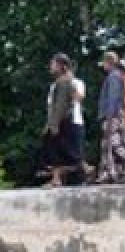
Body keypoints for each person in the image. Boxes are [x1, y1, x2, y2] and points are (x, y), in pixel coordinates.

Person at [41, 53, 80, 188]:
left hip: (61, 122)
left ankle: (84, 169)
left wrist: (53, 125)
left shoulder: (63, 82)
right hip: (60, 121)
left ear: (61, 66)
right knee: (57, 152)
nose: (50, 67)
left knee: (61, 152)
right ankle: (56, 179)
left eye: (53, 64)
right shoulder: (63, 81)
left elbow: (61, 105)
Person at [96, 51, 125, 184]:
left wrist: (109, 116)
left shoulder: (113, 77)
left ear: (109, 63)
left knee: (113, 144)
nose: (103, 67)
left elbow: (112, 98)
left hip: (112, 116)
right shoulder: (118, 76)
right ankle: (110, 172)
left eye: (104, 63)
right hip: (116, 115)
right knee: (108, 145)